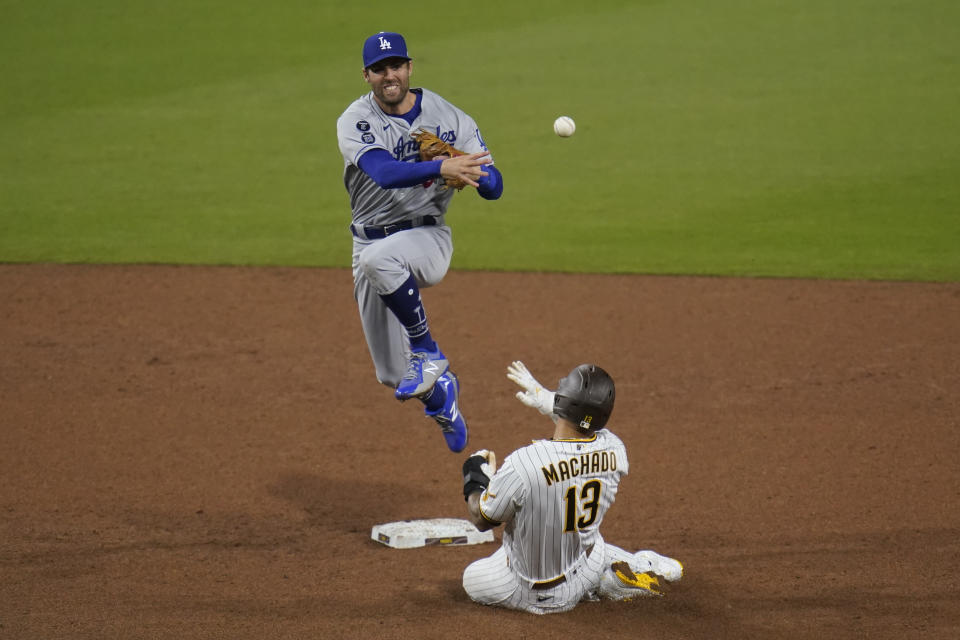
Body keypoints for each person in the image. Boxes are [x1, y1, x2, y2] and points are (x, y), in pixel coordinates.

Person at [336, 32, 503, 454]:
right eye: (379, 69)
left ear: (409, 68)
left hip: (428, 238)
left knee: (381, 261)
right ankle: (441, 394)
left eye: (396, 66)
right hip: (369, 243)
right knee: (392, 373)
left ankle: (427, 350)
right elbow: (385, 173)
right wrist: (442, 164)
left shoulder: (452, 117)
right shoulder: (356, 120)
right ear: (366, 75)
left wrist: (472, 171)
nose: (388, 75)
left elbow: (495, 187)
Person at [460, 361, 684, 615]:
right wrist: (544, 398)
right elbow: (582, 425)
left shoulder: (523, 464)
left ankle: (608, 580)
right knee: (589, 541)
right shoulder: (615, 450)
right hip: (585, 566)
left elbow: (482, 519)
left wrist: (476, 477)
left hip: (530, 591)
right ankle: (638, 565)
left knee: (472, 578)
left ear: (563, 403)